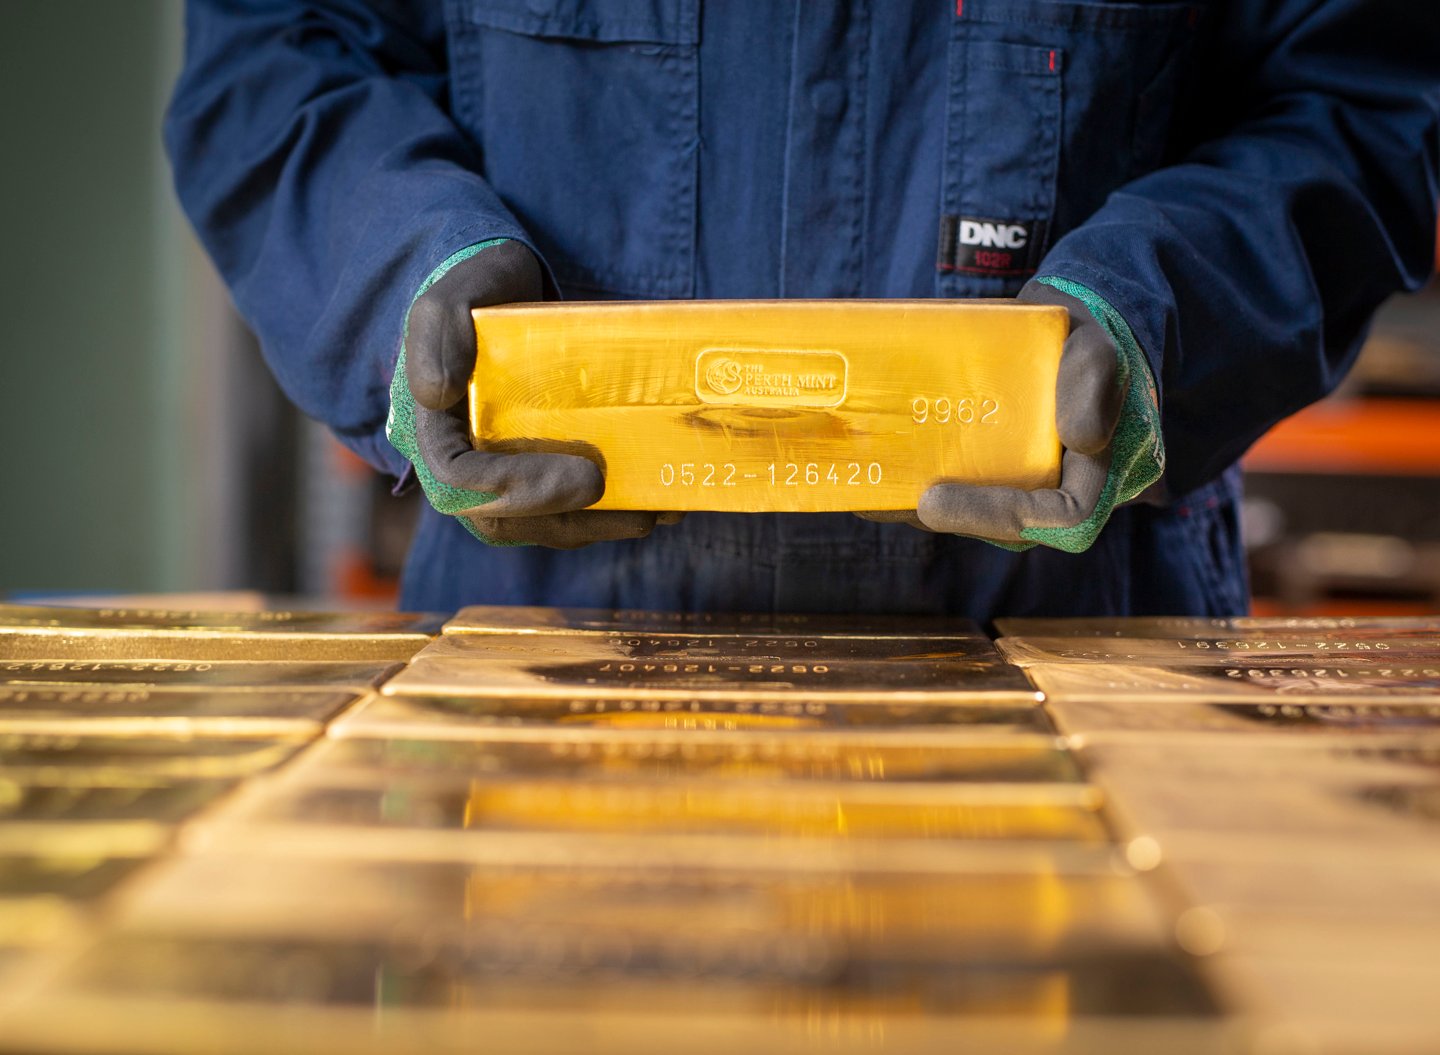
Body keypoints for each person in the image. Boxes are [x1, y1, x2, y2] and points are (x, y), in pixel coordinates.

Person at [166, 0, 1440, 617]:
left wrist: (1158, 318)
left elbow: (1358, 97)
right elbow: (280, 54)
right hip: (545, 659)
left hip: (1078, 639)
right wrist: (406, 277)